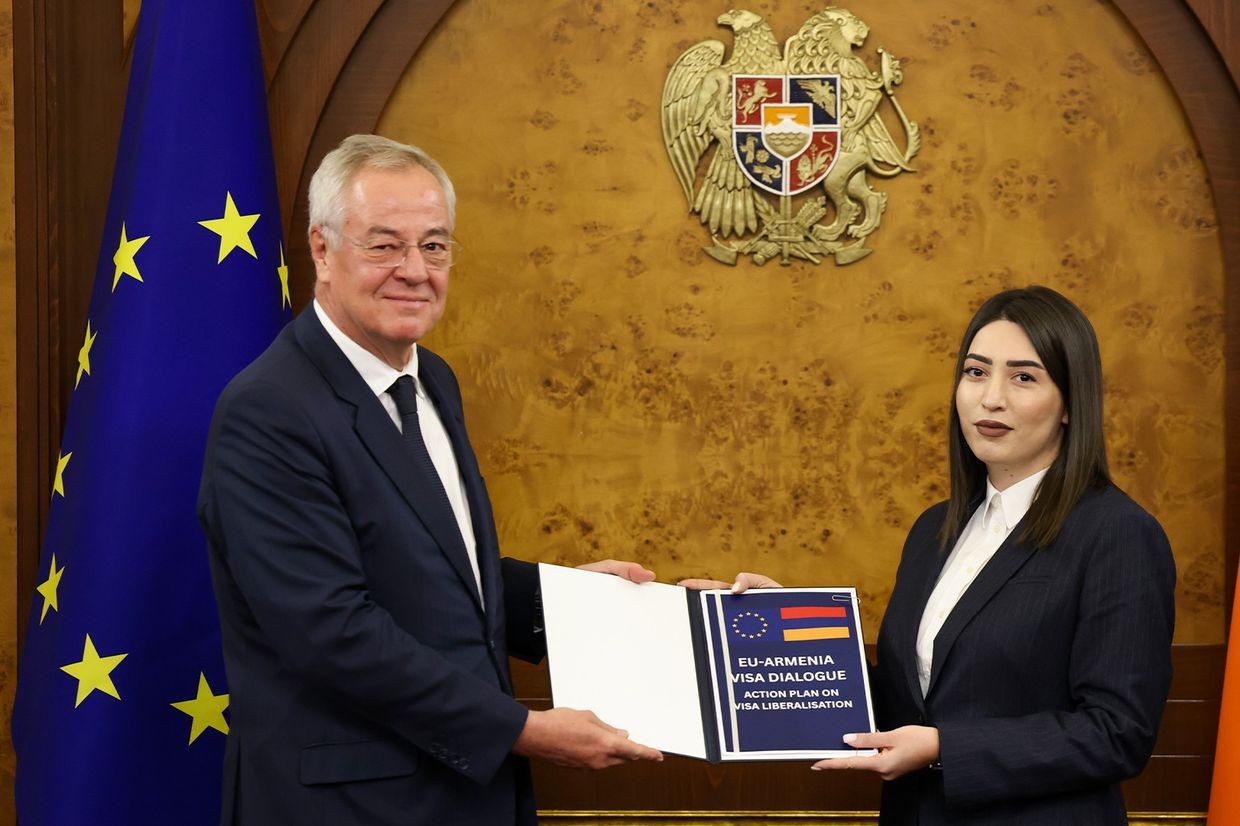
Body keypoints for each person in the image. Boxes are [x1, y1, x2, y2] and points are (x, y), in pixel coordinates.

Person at [197, 133, 661, 826]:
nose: (414, 270)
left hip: (465, 796)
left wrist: (577, 605)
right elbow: (333, 631)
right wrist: (522, 730)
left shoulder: (431, 379)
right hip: (347, 807)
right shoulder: (268, 410)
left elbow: (434, 569)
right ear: (322, 250)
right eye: (384, 245)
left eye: (434, 246)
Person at [690, 286, 1176, 824]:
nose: (991, 398)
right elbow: (910, 700)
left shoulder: (1118, 534)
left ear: (1070, 403)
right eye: (976, 372)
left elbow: (1117, 733)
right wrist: (776, 625)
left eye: (1023, 377)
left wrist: (944, 747)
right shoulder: (934, 529)